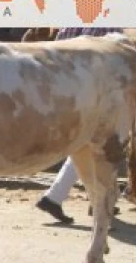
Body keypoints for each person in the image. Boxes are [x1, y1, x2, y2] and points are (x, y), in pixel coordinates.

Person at [33, 27, 125, 224]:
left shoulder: (68, 27)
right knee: (97, 146)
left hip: (63, 92)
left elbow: (50, 56)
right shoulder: (111, 29)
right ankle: (64, 198)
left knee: (84, 147)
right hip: (92, 94)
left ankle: (67, 198)